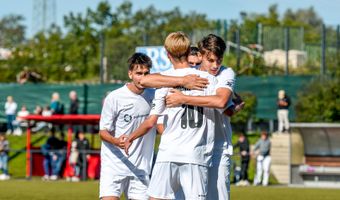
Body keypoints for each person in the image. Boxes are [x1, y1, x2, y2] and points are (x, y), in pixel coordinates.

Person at [124, 32, 222, 200]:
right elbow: (224, 103)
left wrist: (130, 137)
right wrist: (183, 81)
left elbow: (151, 121)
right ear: (188, 51)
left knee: (156, 198)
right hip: (195, 155)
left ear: (167, 53)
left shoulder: (163, 82)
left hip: (168, 152)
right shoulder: (208, 79)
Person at [164, 34, 236, 200]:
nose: (215, 65)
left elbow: (221, 101)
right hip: (193, 148)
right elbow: (150, 80)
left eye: (219, 60)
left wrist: (182, 98)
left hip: (219, 148)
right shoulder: (189, 75)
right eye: (210, 60)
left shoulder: (226, 73)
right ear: (201, 55)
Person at [99, 52, 156, 200]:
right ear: (130, 74)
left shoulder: (155, 95)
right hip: (114, 165)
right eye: (138, 73)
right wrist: (116, 141)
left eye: (146, 73)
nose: (142, 77)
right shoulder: (115, 97)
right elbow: (103, 132)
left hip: (141, 167)